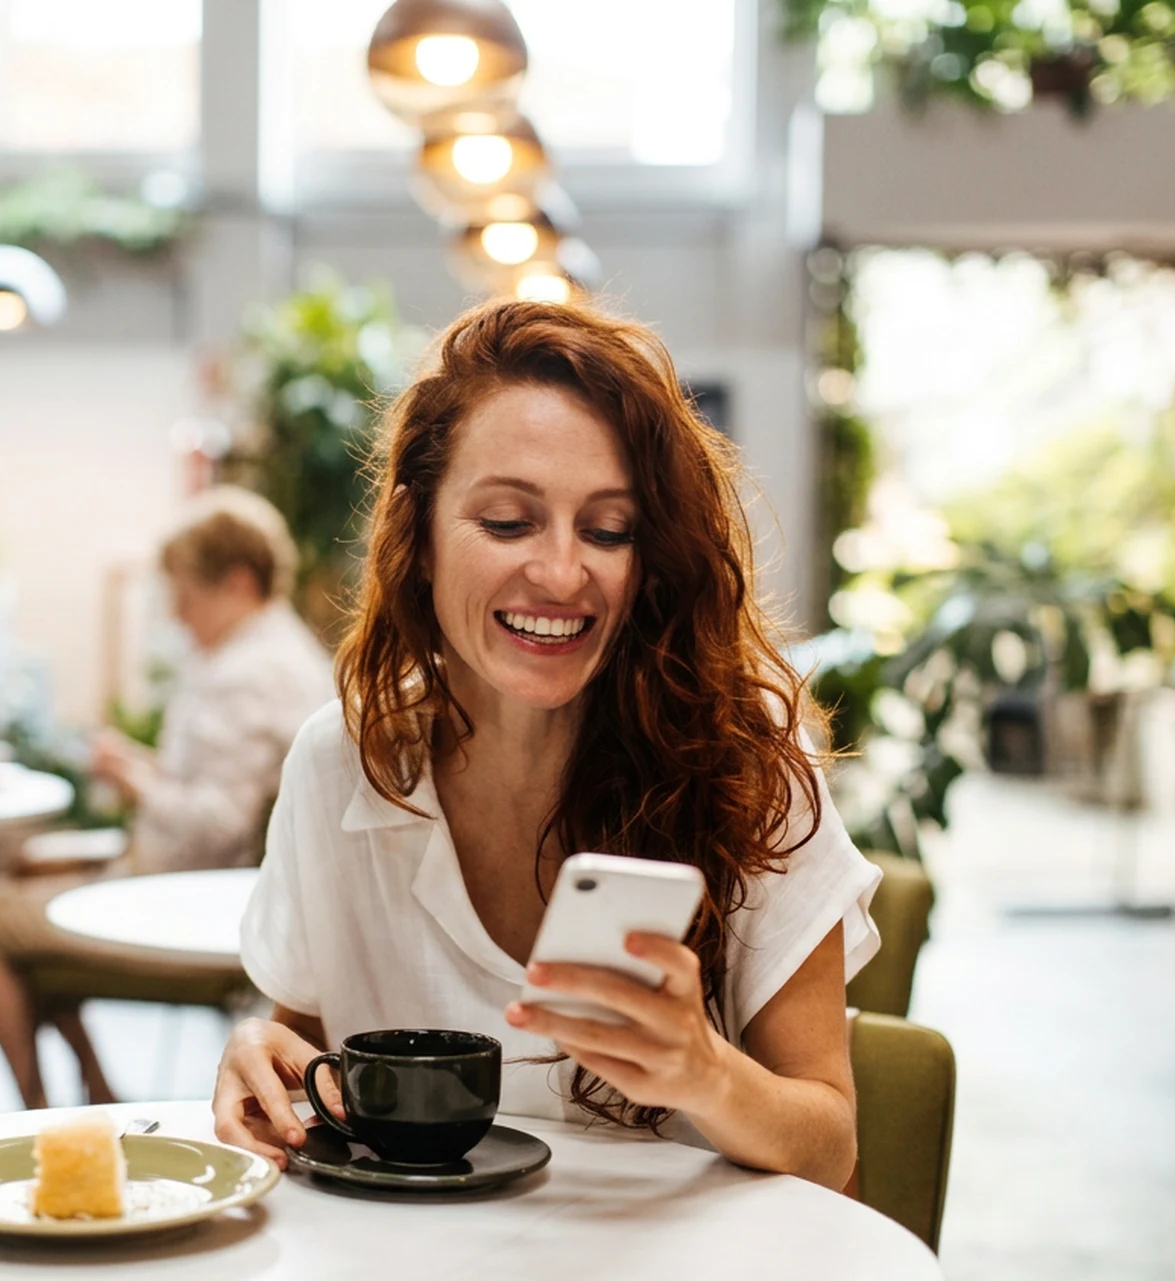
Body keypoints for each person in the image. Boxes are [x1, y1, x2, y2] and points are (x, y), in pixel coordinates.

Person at [212, 301, 883, 1188]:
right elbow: (305, 1046)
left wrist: (706, 1072)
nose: (564, 574)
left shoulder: (745, 757)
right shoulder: (341, 763)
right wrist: (264, 1057)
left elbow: (830, 1147)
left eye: (608, 531)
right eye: (506, 522)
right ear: (418, 538)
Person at [0, 487, 333, 1108]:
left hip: (196, 904)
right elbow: (220, 786)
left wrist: (136, 783)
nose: (178, 614)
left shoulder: (247, 676)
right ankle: (95, 1091)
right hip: (202, 885)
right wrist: (144, 767)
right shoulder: (278, 653)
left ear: (236, 582)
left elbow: (218, 824)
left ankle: (40, 1112)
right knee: (25, 880)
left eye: (185, 594)